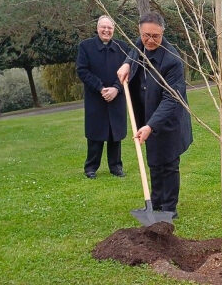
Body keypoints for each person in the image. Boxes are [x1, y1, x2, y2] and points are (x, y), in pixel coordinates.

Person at [117, 12, 192, 218]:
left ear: (163, 33)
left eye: (155, 36)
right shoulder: (140, 45)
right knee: (154, 161)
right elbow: (134, 49)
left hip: (168, 119)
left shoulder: (172, 61)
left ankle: (169, 209)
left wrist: (151, 125)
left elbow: (171, 99)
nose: (150, 40)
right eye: (146, 35)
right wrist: (126, 63)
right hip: (146, 115)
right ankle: (155, 203)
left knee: (168, 162)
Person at [76, 15, 128, 179]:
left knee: (115, 133)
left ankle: (116, 166)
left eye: (109, 28)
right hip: (96, 97)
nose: (106, 30)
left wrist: (116, 88)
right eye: (103, 27)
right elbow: (82, 70)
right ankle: (91, 167)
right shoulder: (85, 47)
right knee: (95, 134)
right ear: (97, 28)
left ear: (114, 29)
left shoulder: (122, 47)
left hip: (116, 96)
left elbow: (129, 71)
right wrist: (100, 88)